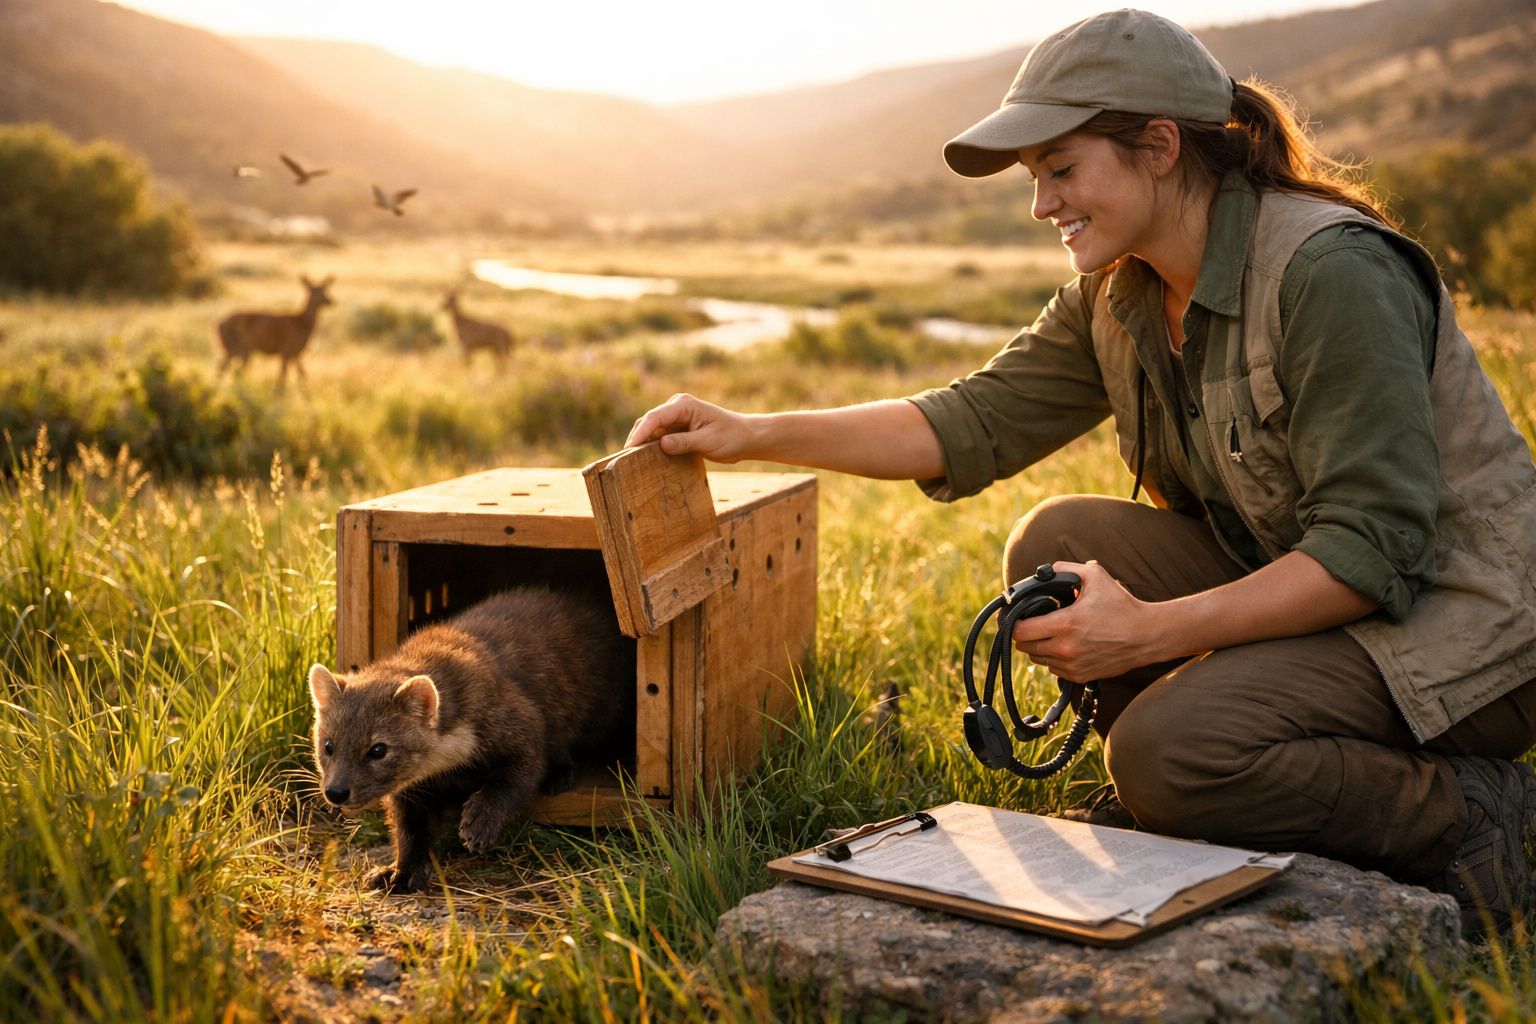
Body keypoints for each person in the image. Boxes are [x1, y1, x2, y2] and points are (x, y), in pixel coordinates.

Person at [625, 8, 1536, 936]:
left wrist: (1147, 634)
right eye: (1034, 177)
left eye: (1062, 168)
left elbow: (1369, 551)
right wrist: (749, 431)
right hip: (1327, 589)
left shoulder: (1328, 271)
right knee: (1056, 547)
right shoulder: (1119, 290)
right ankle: (1199, 797)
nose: (1041, 204)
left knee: (1165, 755)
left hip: (1462, 632)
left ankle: (1466, 816)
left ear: (1158, 146)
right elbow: (963, 421)